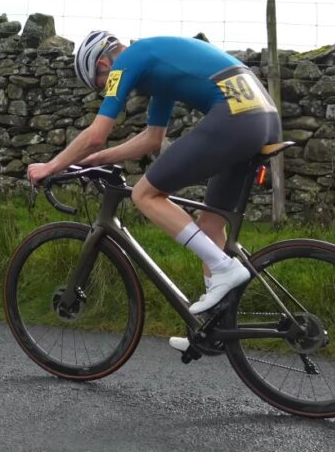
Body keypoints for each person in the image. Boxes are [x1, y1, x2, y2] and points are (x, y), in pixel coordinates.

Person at [27, 31, 282, 353]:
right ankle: (212, 328)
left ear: (104, 63)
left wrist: (52, 166)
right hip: (262, 118)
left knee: (145, 194)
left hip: (236, 117)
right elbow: (151, 141)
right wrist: (90, 162)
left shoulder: (129, 60)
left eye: (102, 83)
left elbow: (96, 134)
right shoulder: (158, 70)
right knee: (211, 225)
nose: (109, 89)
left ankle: (225, 268)